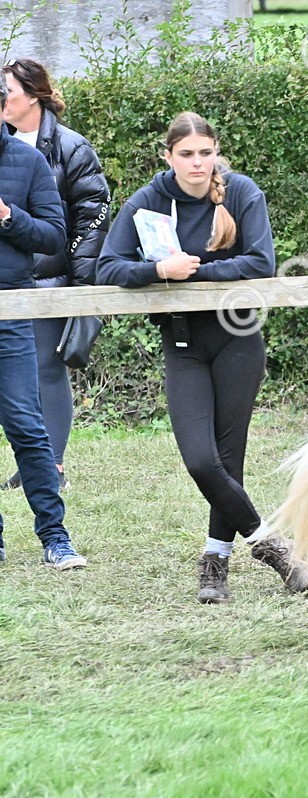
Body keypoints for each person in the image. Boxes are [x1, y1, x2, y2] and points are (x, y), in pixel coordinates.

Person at [96, 111, 308, 603]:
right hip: (183, 345)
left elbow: (261, 262)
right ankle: (268, 544)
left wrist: (192, 274)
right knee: (200, 459)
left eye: (205, 153)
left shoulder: (241, 192)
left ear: (216, 153)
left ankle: (215, 562)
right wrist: (157, 269)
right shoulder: (149, 200)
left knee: (227, 459)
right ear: (167, 156)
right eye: (186, 155)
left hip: (238, 338)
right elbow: (107, 266)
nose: (197, 163)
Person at [2, 58, 111, 493]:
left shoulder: (70, 146)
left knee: (48, 368)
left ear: (32, 94)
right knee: (18, 376)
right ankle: (31, 461)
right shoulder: (6, 143)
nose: (2, 99)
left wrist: (79, 280)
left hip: (50, 277)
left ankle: (54, 465)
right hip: (12, 279)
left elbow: (92, 217)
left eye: (7, 90)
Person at [0, 76, 87, 569]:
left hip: (11, 312)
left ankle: (55, 537)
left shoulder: (29, 161)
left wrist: (9, 217)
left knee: (27, 426)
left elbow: (54, 236)